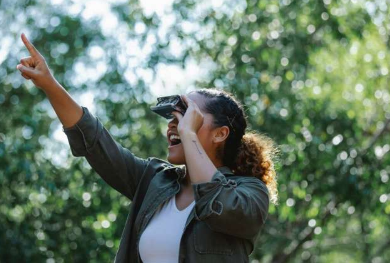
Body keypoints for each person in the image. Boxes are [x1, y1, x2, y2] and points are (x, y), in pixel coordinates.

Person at [17, 33, 279, 263]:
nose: (174, 125)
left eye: (188, 115)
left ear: (221, 134)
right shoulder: (154, 180)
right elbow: (95, 142)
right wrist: (50, 84)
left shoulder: (250, 192)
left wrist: (187, 133)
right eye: (173, 118)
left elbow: (215, 202)